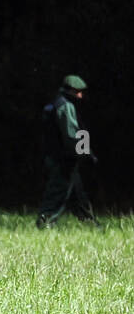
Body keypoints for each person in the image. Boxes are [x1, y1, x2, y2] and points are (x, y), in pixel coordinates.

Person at [36, 75, 98, 228]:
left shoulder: (53, 104)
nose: (81, 96)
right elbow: (71, 134)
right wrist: (84, 153)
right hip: (63, 159)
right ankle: (45, 222)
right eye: (78, 92)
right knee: (57, 193)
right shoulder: (65, 106)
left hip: (56, 157)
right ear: (69, 91)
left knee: (77, 194)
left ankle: (90, 224)